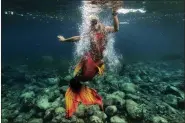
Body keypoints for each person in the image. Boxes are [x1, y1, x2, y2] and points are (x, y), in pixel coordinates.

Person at [57, 8, 119, 118]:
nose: (93, 25)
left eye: (94, 22)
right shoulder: (89, 32)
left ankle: (80, 90)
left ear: (98, 22)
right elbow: (77, 38)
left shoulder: (105, 29)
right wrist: (64, 40)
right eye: (91, 23)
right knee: (83, 78)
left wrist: (114, 15)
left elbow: (116, 28)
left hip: (99, 60)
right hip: (90, 59)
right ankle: (77, 91)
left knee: (86, 77)